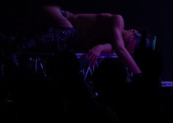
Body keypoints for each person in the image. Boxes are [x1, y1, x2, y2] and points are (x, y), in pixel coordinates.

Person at [12, 4, 143, 75]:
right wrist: (140, 76)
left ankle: (12, 44)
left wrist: (100, 48)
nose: (125, 45)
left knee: (68, 57)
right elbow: (120, 49)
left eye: (129, 48)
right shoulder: (118, 20)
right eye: (129, 40)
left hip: (52, 34)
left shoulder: (112, 46)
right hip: (56, 14)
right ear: (133, 31)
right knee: (70, 33)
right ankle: (17, 48)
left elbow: (116, 49)